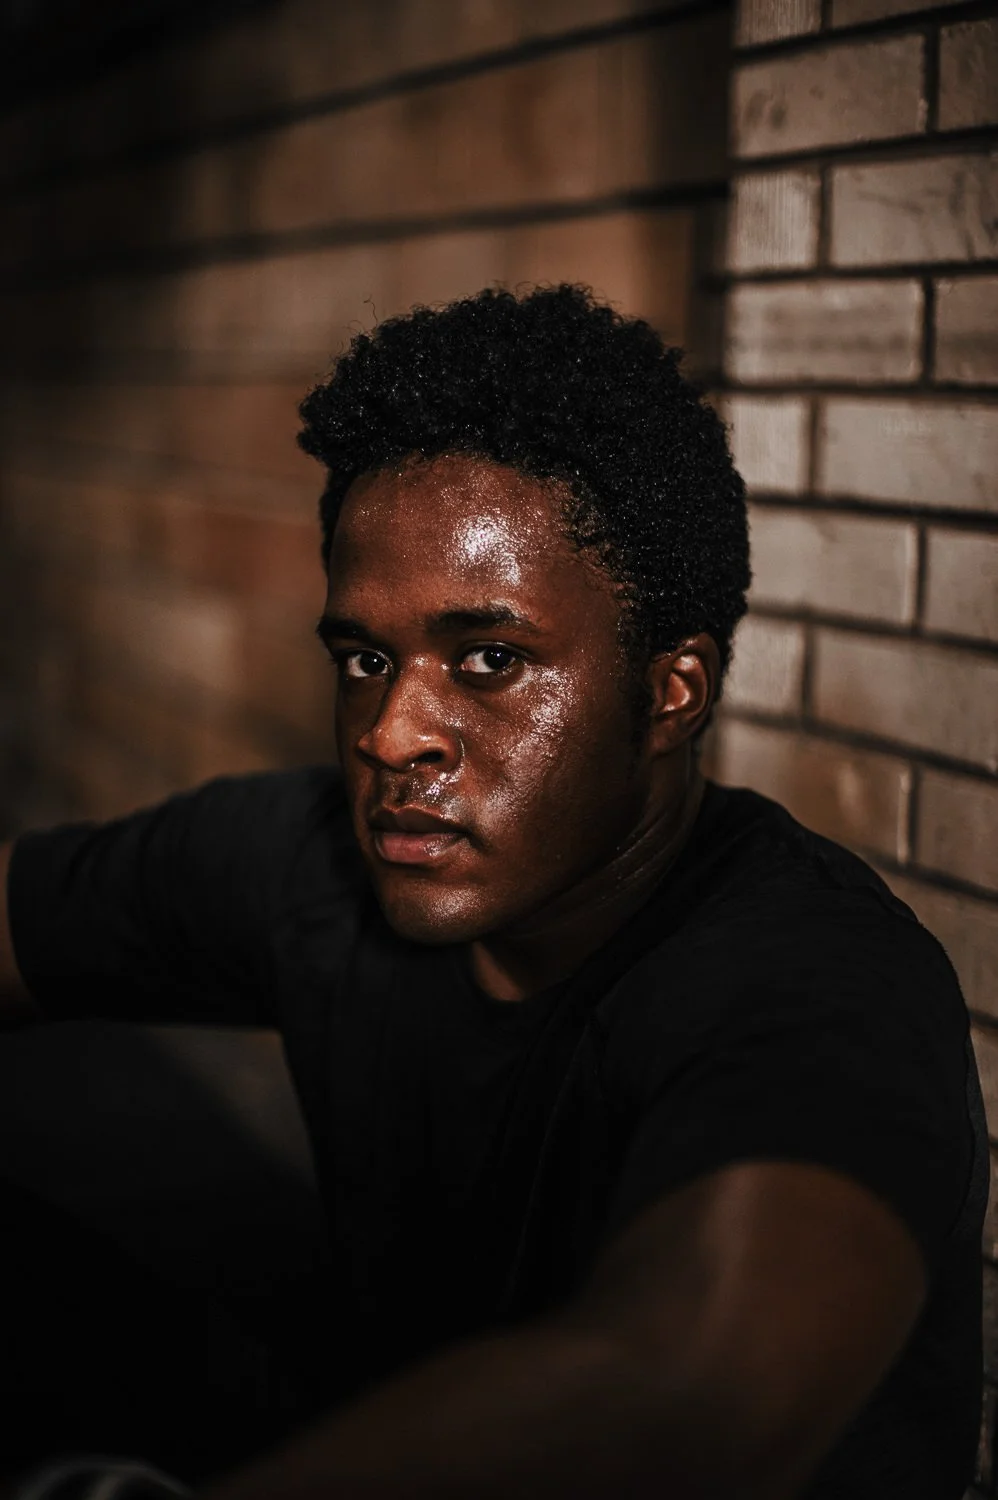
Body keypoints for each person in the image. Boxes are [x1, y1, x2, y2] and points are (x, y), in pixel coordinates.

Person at [0, 284, 987, 1500]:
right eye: (365, 659)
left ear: (671, 692)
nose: (392, 731)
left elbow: (683, 1393)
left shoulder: (814, 980)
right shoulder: (309, 860)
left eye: (489, 661)